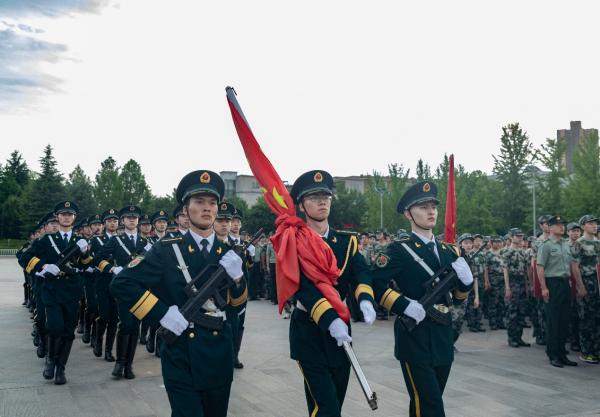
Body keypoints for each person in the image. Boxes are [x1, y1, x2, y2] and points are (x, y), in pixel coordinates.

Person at [111, 170, 246, 417]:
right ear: (185, 209)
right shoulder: (167, 250)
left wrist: (238, 278)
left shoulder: (228, 253)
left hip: (219, 352)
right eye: (199, 202)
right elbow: (122, 283)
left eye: (212, 203)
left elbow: (237, 305)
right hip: (182, 352)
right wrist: (162, 314)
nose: (207, 208)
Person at [371, 181, 473, 417]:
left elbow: (457, 299)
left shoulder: (450, 251)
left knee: (425, 402)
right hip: (414, 337)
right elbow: (374, 283)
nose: (431, 212)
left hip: (443, 337)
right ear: (408, 214)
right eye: (423, 207)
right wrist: (403, 305)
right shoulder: (398, 250)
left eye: (433, 207)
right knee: (430, 405)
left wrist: (466, 284)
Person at [288, 170, 376, 417]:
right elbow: (301, 286)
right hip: (309, 332)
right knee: (326, 408)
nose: (322, 202)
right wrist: (329, 319)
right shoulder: (292, 241)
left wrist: (365, 299)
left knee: (336, 402)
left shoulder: (347, 242)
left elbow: (361, 272)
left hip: (341, 333)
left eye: (325, 197)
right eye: (314, 198)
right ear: (301, 205)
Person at [20, 201, 90, 384]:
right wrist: (43, 266)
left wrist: (85, 253)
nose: (66, 217)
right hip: (51, 290)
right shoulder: (46, 240)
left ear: (74, 217)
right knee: (54, 327)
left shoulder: (79, 241)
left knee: (68, 331)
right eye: (63, 214)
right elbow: (25, 257)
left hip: (72, 291)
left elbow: (86, 265)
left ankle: (61, 368)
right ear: (57, 217)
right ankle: (50, 361)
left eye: (70, 214)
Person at [96, 205, 151, 379]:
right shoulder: (116, 241)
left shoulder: (146, 243)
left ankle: (129, 365)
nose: (132, 220)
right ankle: (120, 362)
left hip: (140, 288)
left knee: (135, 326)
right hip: (123, 288)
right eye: (128, 217)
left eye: (135, 217)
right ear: (123, 221)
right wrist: (113, 269)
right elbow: (98, 259)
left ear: (138, 220)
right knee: (126, 324)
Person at [536, 215, 583, 368]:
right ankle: (553, 354)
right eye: (558, 225)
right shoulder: (546, 245)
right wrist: (544, 288)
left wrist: (578, 286)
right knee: (553, 320)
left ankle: (562, 353)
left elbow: (573, 265)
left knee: (564, 320)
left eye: (563, 225)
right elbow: (540, 267)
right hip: (553, 283)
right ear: (550, 228)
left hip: (565, 283)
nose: (562, 227)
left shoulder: (566, 244)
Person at [570, 215, 599, 364]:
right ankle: (586, 351)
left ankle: (597, 349)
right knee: (587, 318)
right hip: (586, 282)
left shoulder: (598, 242)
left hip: (598, 282)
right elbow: (575, 267)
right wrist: (580, 286)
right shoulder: (578, 243)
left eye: (595, 223)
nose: (594, 225)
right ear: (583, 226)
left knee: (597, 318)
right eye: (590, 223)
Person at [503, 228, 530, 347]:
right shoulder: (507, 252)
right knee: (512, 311)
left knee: (521, 311)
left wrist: (528, 285)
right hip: (512, 282)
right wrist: (507, 287)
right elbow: (505, 270)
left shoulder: (523, 252)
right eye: (517, 236)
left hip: (522, 283)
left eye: (521, 236)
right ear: (511, 237)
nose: (520, 238)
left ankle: (519, 337)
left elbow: (526, 270)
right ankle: (512, 338)